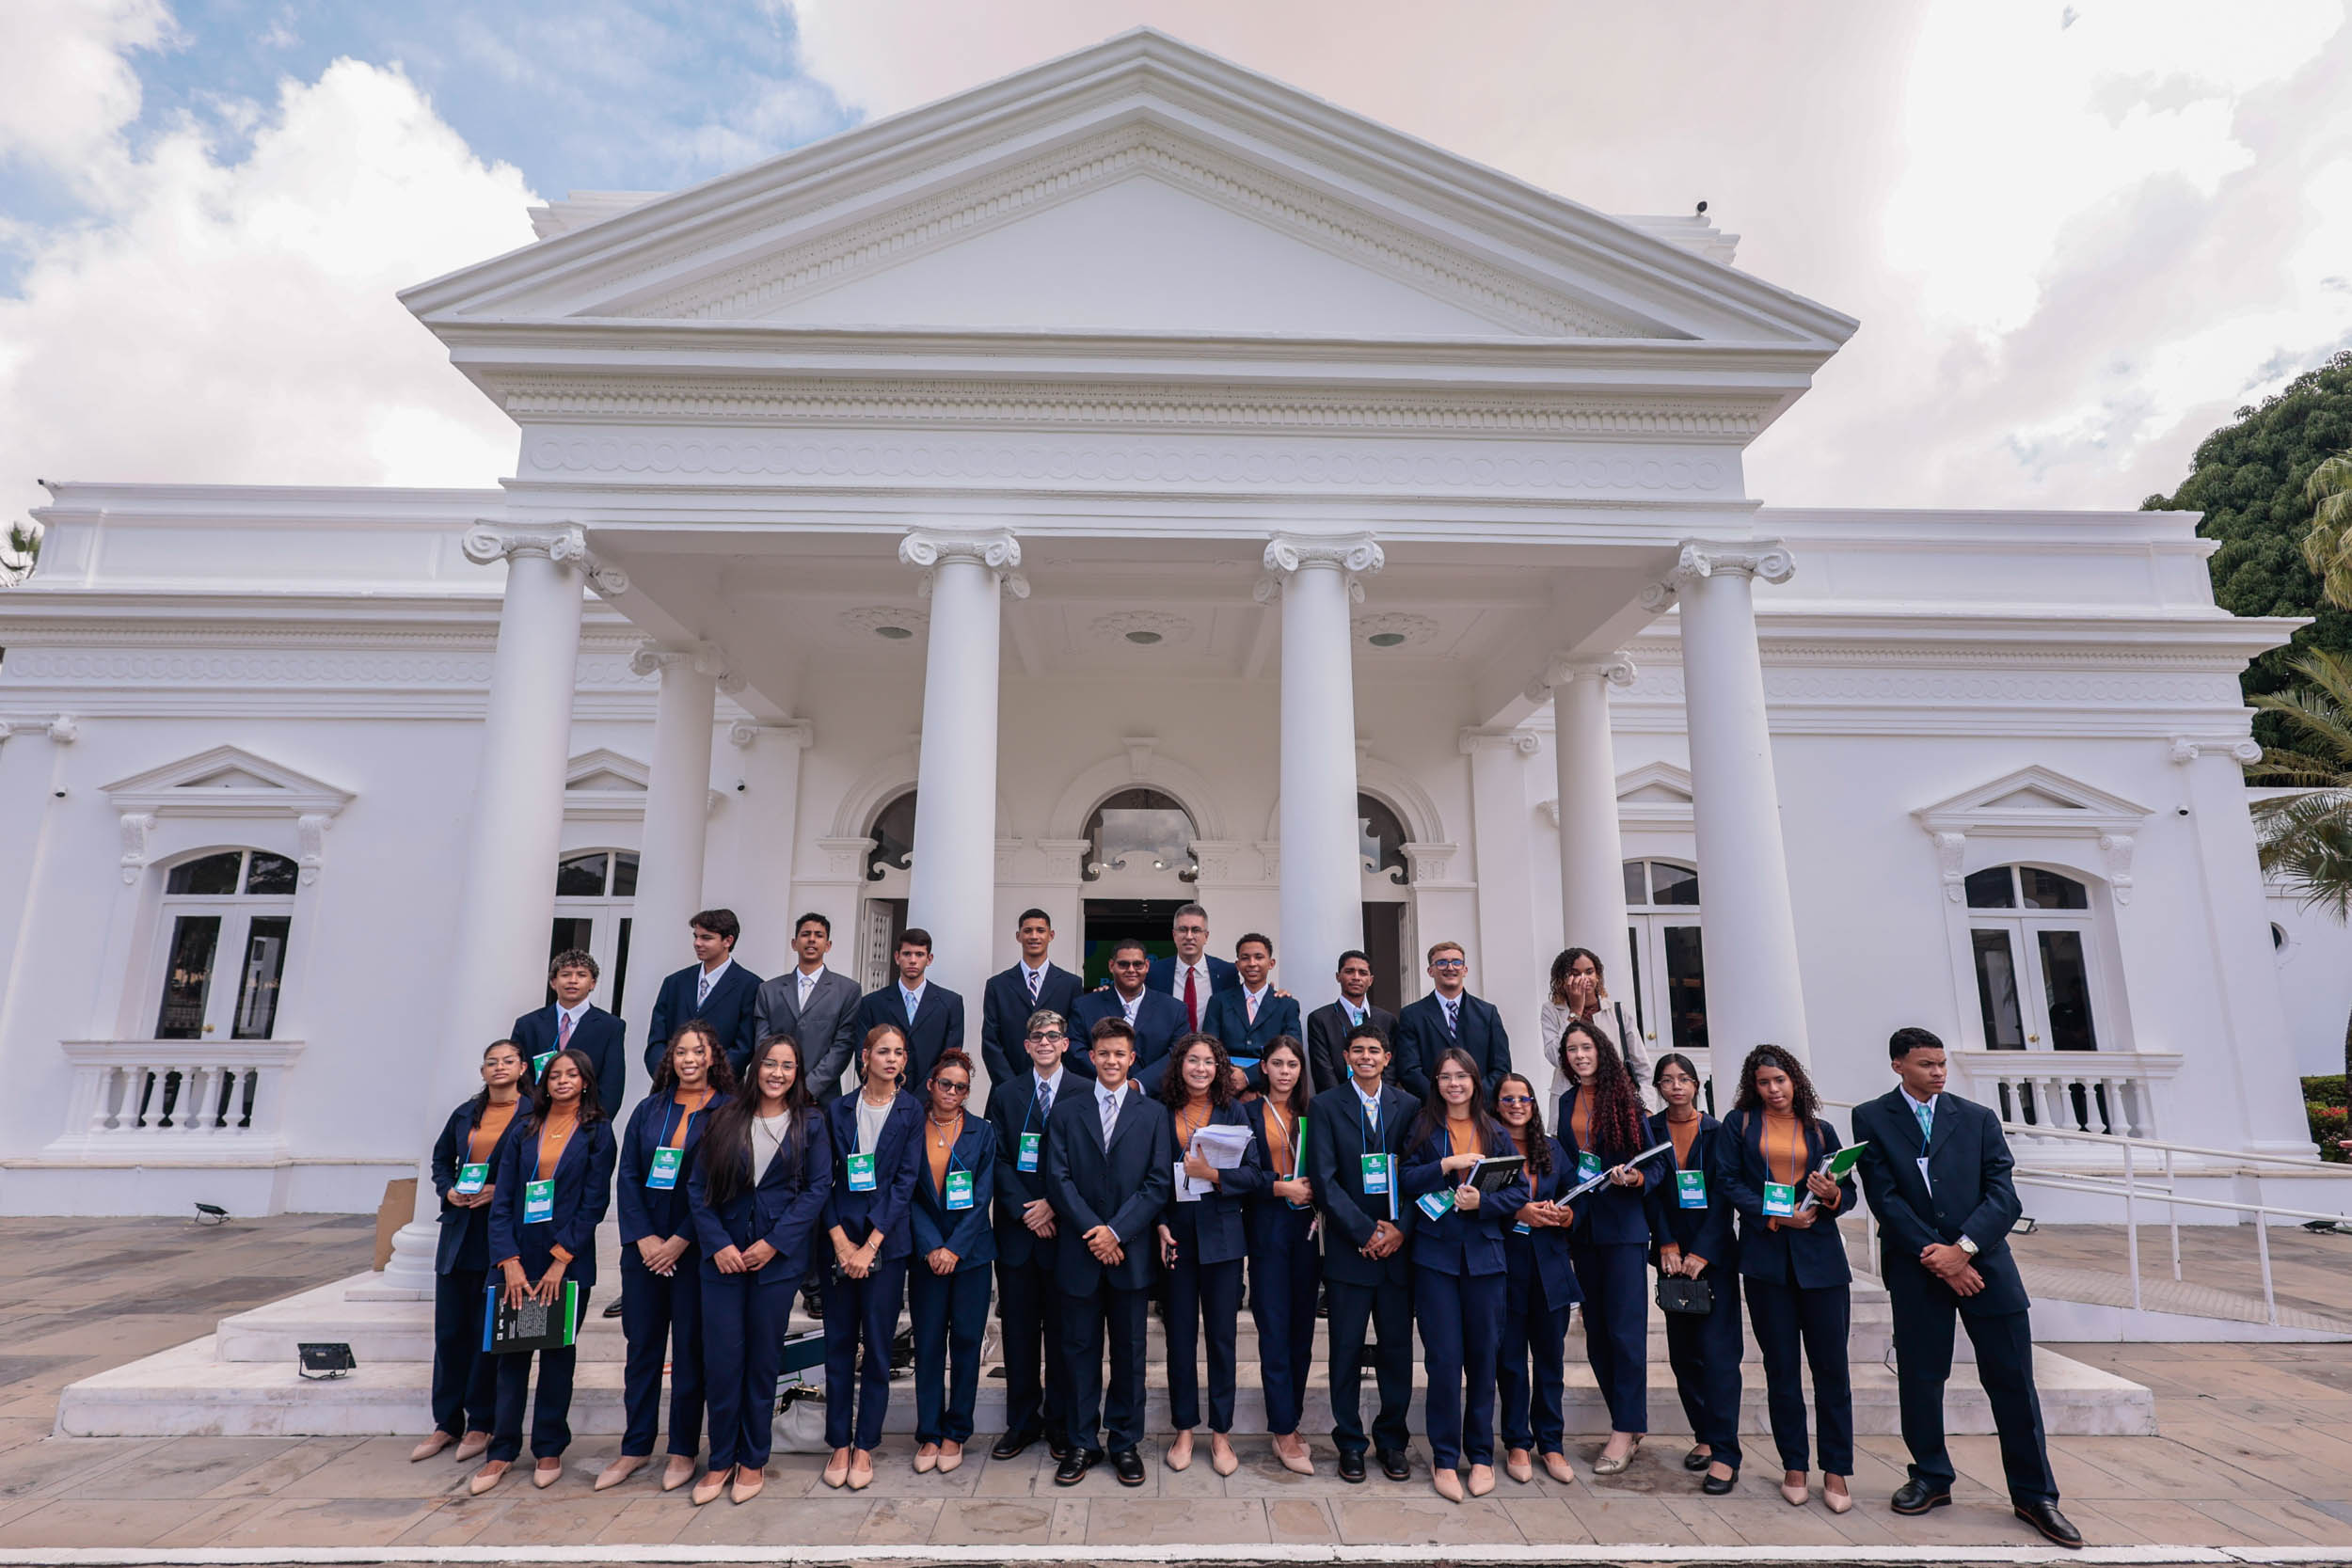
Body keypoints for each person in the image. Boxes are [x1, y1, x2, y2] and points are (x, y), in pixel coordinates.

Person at [1852, 1027, 2080, 1549]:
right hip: (1918, 1268)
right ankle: (1931, 1477)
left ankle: (2034, 1496)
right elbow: (1885, 1198)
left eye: (1941, 1063)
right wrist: (1940, 1258)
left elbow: (2004, 1195)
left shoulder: (1977, 1118)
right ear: (1898, 1065)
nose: (1938, 1072)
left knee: (2012, 1381)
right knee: (1921, 1377)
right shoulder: (1871, 1118)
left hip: (1986, 1268)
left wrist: (1964, 1250)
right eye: (1926, 1064)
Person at [689, 1032, 831, 1506]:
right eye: (770, 1063)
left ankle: (752, 1458)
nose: (777, 1073)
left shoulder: (810, 1122)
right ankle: (720, 1459)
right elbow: (698, 1188)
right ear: (756, 1067)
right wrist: (718, 1245)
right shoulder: (724, 1116)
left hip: (776, 1263)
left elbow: (817, 1189)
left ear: (798, 1073)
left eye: (788, 1066)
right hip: (723, 1262)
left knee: (763, 1361)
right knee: (723, 1362)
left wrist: (774, 1243)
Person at [1713, 1044, 1852, 1512]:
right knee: (1782, 1370)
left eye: (1780, 1080)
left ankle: (1836, 1469)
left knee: (1832, 1370)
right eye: (1763, 1083)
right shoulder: (1739, 1125)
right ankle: (1795, 1464)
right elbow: (1728, 1181)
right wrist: (1774, 1215)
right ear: (1753, 1087)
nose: (1773, 1090)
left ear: (1794, 1081)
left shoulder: (1821, 1130)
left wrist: (1831, 1195)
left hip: (1822, 1263)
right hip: (1766, 1261)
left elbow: (1849, 1194)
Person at [473, 1048, 614, 1495]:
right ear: (544, 1083)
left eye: (572, 1074)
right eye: (555, 1075)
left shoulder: (597, 1131)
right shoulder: (523, 1128)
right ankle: (502, 1450)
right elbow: (503, 1199)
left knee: (556, 1357)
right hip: (517, 1257)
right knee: (511, 1358)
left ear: (586, 1081)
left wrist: (561, 1259)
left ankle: (549, 1447)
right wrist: (508, 1261)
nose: (563, 1081)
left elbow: (594, 1202)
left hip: (566, 1261)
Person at [601, 1022, 734, 1493]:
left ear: (713, 1057)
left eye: (698, 1051)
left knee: (690, 1354)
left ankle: (682, 1449)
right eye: (681, 1052)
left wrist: (679, 1240)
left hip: (695, 1253)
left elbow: (721, 1186)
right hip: (644, 1253)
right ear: (670, 1059)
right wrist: (643, 1239)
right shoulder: (649, 1108)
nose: (689, 1059)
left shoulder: (727, 1110)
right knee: (642, 1351)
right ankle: (636, 1446)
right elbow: (628, 1177)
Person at [1044, 1017, 1174, 1487]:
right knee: (1079, 1351)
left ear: (1132, 1058)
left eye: (1120, 1054)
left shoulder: (1153, 1113)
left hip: (1129, 1253)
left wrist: (1116, 1232)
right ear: (1091, 1057)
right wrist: (1095, 1232)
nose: (1112, 1061)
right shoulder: (1066, 1112)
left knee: (1130, 1353)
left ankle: (1124, 1442)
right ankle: (1082, 1442)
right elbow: (1057, 1179)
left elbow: (1157, 1183)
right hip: (1080, 1252)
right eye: (1104, 1053)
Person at [1401, 1047, 1529, 1502]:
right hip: (1435, 1260)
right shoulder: (1422, 1126)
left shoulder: (1495, 1131)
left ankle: (1479, 1456)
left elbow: (1519, 1191)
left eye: (1462, 1076)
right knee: (1443, 1361)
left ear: (1475, 1081)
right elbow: (1405, 1178)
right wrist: (1445, 1165)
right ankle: (1443, 1458)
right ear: (1435, 1083)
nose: (1454, 1084)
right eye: (1445, 1076)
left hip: (1485, 1260)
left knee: (1482, 1360)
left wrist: (1482, 1204)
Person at [1308, 1020, 1421, 1484]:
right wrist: (1363, 1231)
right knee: (1345, 1350)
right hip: (1348, 1251)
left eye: (1374, 1050)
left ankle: (1392, 1441)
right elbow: (1324, 1179)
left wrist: (1400, 1230)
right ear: (1346, 1058)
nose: (1366, 1057)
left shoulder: (1410, 1106)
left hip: (1397, 1251)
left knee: (1396, 1352)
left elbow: (1419, 1173)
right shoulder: (1324, 1105)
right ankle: (1350, 1442)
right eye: (1358, 1050)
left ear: (1387, 1058)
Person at [414, 1039, 529, 1466]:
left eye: (507, 1061)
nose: (499, 1067)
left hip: (500, 1234)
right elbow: (441, 1160)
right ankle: (446, 1422)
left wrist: (501, 1191)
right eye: (491, 1062)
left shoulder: (533, 1115)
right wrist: (448, 1190)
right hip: (459, 1232)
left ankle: (481, 1421)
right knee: (449, 1332)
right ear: (482, 1072)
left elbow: (540, 1170)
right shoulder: (465, 1113)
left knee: (487, 1334)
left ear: (522, 1068)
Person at [820, 1024, 925, 1491]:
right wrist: (842, 1243)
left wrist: (870, 1245)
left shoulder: (911, 1110)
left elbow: (906, 1182)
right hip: (839, 1243)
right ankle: (839, 1443)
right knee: (839, 1347)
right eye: (883, 1051)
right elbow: (822, 1179)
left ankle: (865, 1444)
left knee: (879, 1350)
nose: (892, 1059)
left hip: (886, 1245)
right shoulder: (839, 1109)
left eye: (899, 1053)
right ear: (864, 1057)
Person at [1555, 1016, 1654, 1476]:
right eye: (1572, 1050)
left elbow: (1656, 1166)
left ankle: (1625, 1427)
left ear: (1601, 1051)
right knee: (1596, 1332)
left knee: (1624, 1332)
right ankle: (1627, 1421)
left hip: (1623, 1230)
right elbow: (1565, 1162)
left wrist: (1633, 1178)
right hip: (1583, 1229)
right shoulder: (1567, 1102)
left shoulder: (1626, 1099)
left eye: (1586, 1048)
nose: (1579, 1056)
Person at [1156, 1031, 1255, 1477]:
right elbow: (1150, 1174)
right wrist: (1158, 1222)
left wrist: (1213, 1174)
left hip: (1222, 1236)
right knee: (1179, 1336)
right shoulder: (1161, 1112)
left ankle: (1220, 1432)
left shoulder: (1235, 1111)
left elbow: (1254, 1174)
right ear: (1180, 1066)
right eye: (1192, 1060)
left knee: (1221, 1337)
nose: (1200, 1068)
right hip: (1176, 1234)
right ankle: (1183, 1429)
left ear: (1219, 1069)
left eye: (1209, 1062)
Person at [1645, 1052, 1741, 1496]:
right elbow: (1649, 1193)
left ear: (1696, 1085)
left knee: (1718, 1355)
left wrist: (1702, 1251)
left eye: (1684, 1079)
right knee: (1684, 1354)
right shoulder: (1650, 1130)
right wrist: (1666, 1243)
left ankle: (1725, 1453)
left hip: (1713, 1254)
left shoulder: (1718, 1132)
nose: (1676, 1086)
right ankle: (1705, 1434)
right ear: (1658, 1088)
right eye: (1667, 1080)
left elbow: (1725, 1196)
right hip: (1671, 1257)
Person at [984, 1009, 1075, 1462]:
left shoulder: (1084, 1090)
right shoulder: (1005, 1093)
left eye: (1053, 1035)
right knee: (1018, 1335)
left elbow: (1089, 1160)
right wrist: (1028, 1211)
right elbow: (996, 1159)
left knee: (1062, 1334)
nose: (1044, 1042)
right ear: (1026, 1045)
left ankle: (1059, 1423)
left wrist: (1054, 1205)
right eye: (1037, 1035)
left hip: (1066, 1231)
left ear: (1066, 1044)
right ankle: (1020, 1423)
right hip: (1018, 1232)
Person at [909, 1047, 994, 1474]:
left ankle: (955, 1431)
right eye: (946, 1084)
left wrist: (955, 1248)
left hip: (971, 1256)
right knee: (927, 1345)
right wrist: (931, 1247)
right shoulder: (911, 1128)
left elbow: (982, 1196)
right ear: (931, 1084)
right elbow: (906, 1192)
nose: (952, 1092)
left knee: (965, 1343)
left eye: (961, 1087)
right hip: (926, 1257)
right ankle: (929, 1432)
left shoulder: (982, 1132)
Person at [1492, 1070, 1581, 1487]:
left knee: (1550, 1360)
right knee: (1510, 1361)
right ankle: (1516, 1442)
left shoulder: (1553, 1147)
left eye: (1523, 1099)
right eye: (1508, 1099)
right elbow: (1479, 1203)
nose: (1516, 1106)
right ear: (1496, 1106)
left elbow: (1575, 1194)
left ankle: (1551, 1443)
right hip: (1505, 1265)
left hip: (1550, 1266)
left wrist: (1566, 1214)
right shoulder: (1488, 1147)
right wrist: (1517, 1211)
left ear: (1533, 1104)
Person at [1241, 1035, 1318, 1475]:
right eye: (1278, 1063)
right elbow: (1238, 1174)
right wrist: (1278, 1187)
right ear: (1264, 1068)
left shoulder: (1314, 1112)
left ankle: (1293, 1417)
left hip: (1308, 1229)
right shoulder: (1249, 1112)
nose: (1285, 1071)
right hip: (1267, 1227)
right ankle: (1282, 1428)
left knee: (1302, 1332)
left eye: (1292, 1064)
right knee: (1274, 1330)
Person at [751, 912, 863, 1104]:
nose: (811, 939)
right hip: (774, 1092)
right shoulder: (769, 990)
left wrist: (809, 1088)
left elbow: (843, 1046)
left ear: (828, 945)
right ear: (794, 943)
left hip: (821, 1097)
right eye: (805, 934)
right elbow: (762, 1042)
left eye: (819, 935)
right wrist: (780, 1080)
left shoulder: (847, 990)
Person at [644, 910, 762, 1079]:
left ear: (728, 941)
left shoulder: (750, 986)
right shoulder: (674, 983)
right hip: (671, 1085)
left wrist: (705, 1079)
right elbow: (657, 1040)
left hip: (721, 1088)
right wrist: (668, 1075)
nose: (697, 943)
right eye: (696, 937)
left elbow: (744, 1047)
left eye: (706, 938)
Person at [512, 950, 627, 1119]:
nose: (573, 980)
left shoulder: (610, 1026)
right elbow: (518, 1077)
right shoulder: (528, 1024)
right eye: (565, 975)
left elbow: (612, 1084)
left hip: (585, 1121)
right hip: (534, 1119)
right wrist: (528, 1118)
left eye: (581, 975)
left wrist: (594, 1123)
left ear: (592, 983)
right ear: (553, 982)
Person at [981, 910, 1086, 1086]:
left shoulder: (1071, 984)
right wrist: (1011, 1086)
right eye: (1028, 931)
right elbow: (990, 1042)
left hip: (1058, 1088)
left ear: (1051, 935)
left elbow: (1074, 1038)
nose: (1034, 936)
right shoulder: (997, 985)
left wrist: (1059, 1082)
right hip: (1008, 1088)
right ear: (1018, 936)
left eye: (1040, 930)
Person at [853, 928, 965, 1090]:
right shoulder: (872, 1003)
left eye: (919, 954)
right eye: (907, 954)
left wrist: (924, 1094)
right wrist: (886, 1090)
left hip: (932, 1096)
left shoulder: (950, 1003)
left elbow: (950, 1057)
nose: (913, 960)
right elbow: (862, 1054)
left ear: (929, 959)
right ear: (897, 957)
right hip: (884, 1094)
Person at [1396, 941, 1510, 1100]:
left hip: (1480, 1107)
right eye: (1442, 963)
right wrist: (1439, 1099)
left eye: (1456, 962)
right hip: (1432, 1108)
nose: (1450, 968)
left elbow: (1501, 1067)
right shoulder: (1412, 1015)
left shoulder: (1487, 1013)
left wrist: (1473, 1098)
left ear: (1465, 970)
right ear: (1430, 971)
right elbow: (1409, 1070)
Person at [1068, 937, 1186, 1085]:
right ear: (1111, 966)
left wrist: (1139, 1083)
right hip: (1097, 1092)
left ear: (1147, 966)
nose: (1131, 970)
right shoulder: (1084, 1006)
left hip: (1154, 1095)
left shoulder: (1174, 1009)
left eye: (1137, 964)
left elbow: (1178, 1053)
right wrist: (1110, 1078)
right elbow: (1074, 1048)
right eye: (1123, 964)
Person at [1543, 946, 1648, 1104]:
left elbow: (1641, 1065)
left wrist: (1647, 1107)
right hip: (1570, 1099)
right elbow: (1555, 1057)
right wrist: (1575, 1012)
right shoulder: (1551, 1010)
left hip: (1612, 1099)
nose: (1584, 978)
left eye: (1589, 972)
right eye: (1575, 973)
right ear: (1563, 979)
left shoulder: (1617, 1011)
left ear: (1598, 976)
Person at [1200, 932, 1301, 1089]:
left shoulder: (1287, 1005)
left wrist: (1249, 1077)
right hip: (1226, 1086)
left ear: (1271, 963)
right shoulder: (1219, 1002)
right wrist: (1232, 1079)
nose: (1252, 963)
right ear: (1237, 964)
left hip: (1270, 1088)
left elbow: (1292, 1051)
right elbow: (1209, 1048)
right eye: (1245, 958)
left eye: (1259, 957)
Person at [1305, 950, 1398, 1093]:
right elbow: (1322, 1070)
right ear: (1338, 977)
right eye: (1349, 971)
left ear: (1370, 980)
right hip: (1335, 1101)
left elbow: (1390, 1068)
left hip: (1378, 1101)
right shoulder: (1319, 1019)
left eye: (1362, 973)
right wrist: (1341, 1101)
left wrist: (1378, 1097)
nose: (1356, 977)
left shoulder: (1387, 1020)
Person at [1149, 902, 1238, 1033]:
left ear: (1206, 936)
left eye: (1196, 930)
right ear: (1174, 935)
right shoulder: (1154, 972)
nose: (1189, 936)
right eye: (1183, 929)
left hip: (1213, 1044)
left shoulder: (1227, 972)